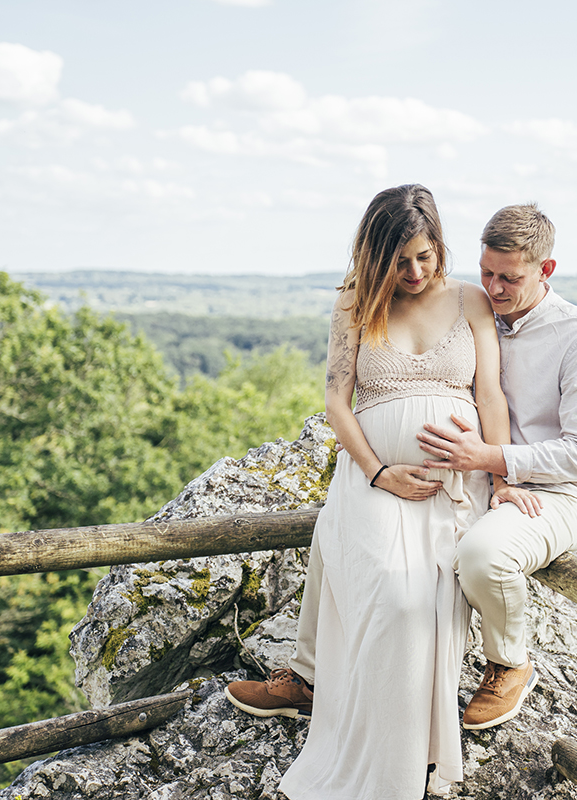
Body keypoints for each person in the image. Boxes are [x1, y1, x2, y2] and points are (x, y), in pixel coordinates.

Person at [224, 184, 537, 800]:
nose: (415, 272)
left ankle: (409, 758)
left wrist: (502, 480)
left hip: (453, 483)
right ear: (375, 256)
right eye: (400, 261)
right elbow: (337, 402)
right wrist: (376, 471)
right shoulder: (353, 305)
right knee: (389, 598)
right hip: (373, 480)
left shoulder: (471, 300)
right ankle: (325, 698)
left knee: (419, 609)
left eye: (425, 256)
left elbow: (491, 396)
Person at [416, 202, 577, 731]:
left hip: (561, 495)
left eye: (510, 278)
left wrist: (493, 458)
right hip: (481, 477)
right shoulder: (472, 312)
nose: (495, 287)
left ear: (546, 270)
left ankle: (510, 662)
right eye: (486, 273)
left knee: (482, 555)